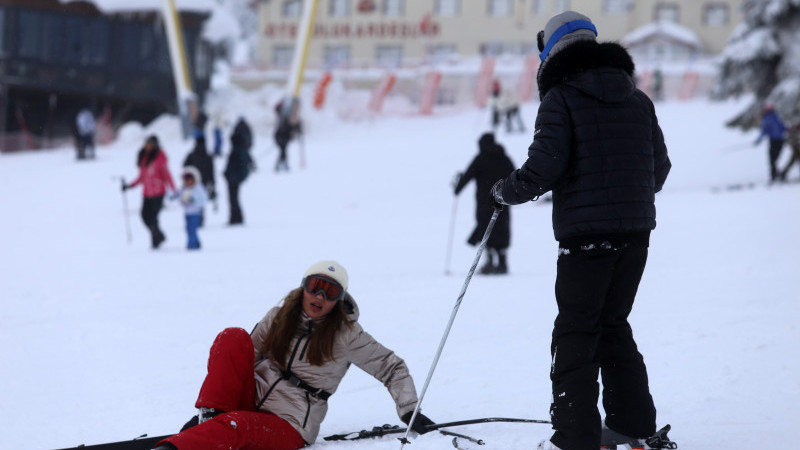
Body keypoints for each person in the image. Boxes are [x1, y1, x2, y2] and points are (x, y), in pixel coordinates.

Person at [490, 11, 671, 450]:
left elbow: (543, 168)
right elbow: (659, 168)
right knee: (613, 325)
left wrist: (503, 191)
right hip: (635, 235)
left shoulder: (561, 99)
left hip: (586, 239)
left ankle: (574, 438)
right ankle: (633, 423)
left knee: (575, 334)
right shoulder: (638, 99)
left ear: (551, 52)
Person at [152, 260, 435, 450]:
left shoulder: (348, 335)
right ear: (304, 287)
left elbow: (391, 367)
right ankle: (211, 418)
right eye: (315, 286)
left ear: (339, 299)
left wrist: (410, 410)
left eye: (331, 291)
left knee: (238, 426)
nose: (320, 296)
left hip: (290, 422)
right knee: (233, 337)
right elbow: (243, 357)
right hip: (252, 400)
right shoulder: (280, 316)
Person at [454, 132, 515, 274]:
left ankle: (489, 262)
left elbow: (468, 175)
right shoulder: (504, 158)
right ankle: (502, 262)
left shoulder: (480, 159)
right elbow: (515, 176)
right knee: (501, 229)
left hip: (484, 203)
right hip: (502, 202)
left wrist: (457, 189)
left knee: (486, 228)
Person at [122, 135, 177, 249]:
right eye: (147, 144)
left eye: (150, 144)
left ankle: (155, 241)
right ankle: (158, 236)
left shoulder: (160, 159)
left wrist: (173, 189)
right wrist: (130, 186)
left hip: (158, 192)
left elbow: (167, 175)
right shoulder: (143, 158)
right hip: (147, 193)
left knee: (153, 217)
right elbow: (141, 177)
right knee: (144, 216)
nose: (148, 146)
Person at [223, 119, 255, 225]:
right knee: (234, 199)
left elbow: (235, 165)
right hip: (234, 177)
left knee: (233, 199)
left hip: (234, 178)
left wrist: (229, 174)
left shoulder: (237, 150)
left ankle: (236, 218)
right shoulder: (242, 148)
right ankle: (236, 218)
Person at [183, 136, 216, 224]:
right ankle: (199, 219)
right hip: (203, 182)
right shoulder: (207, 156)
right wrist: (212, 184)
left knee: (190, 201)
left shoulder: (192, 154)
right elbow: (211, 172)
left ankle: (192, 219)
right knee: (200, 201)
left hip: (191, 183)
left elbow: (184, 165)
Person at [176, 166, 209, 250]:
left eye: (190, 180)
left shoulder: (198, 188)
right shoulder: (184, 189)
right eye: (186, 180)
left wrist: (193, 200)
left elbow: (203, 200)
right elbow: (180, 199)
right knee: (188, 229)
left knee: (192, 229)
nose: (188, 182)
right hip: (187, 213)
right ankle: (196, 243)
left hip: (195, 213)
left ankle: (192, 245)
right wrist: (182, 201)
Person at [754, 103, 787, 182]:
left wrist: (758, 140)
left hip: (774, 141)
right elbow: (783, 128)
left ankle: (774, 176)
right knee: (775, 159)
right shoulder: (777, 117)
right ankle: (777, 174)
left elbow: (764, 131)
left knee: (772, 159)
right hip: (780, 141)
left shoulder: (767, 119)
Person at [273, 100, 303, 172]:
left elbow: (296, 128)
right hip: (280, 137)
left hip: (284, 138)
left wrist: (298, 129)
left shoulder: (291, 119)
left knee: (283, 151)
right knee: (283, 151)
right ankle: (281, 165)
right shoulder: (285, 119)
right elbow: (285, 129)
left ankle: (281, 165)